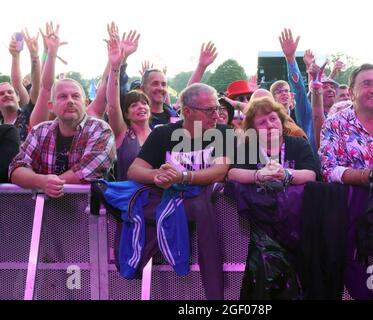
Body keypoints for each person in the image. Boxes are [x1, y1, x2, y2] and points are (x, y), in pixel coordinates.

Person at [127, 83, 232, 300]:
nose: (217, 115)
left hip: (214, 226)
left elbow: (220, 171)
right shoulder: (163, 134)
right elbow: (134, 170)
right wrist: (158, 175)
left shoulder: (223, 132)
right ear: (187, 111)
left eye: (218, 108)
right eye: (210, 110)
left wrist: (183, 176)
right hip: (170, 224)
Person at [227, 97, 318, 299]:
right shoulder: (247, 148)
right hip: (259, 231)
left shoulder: (298, 144)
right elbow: (232, 173)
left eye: (273, 119)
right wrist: (257, 175)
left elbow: (311, 174)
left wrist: (286, 174)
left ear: (282, 120)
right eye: (262, 122)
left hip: (297, 228)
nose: (270, 125)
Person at [9, 78, 115, 198]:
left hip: (89, 212)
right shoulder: (39, 131)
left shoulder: (100, 129)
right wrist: (40, 181)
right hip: (44, 212)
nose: (70, 101)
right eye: (63, 96)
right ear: (51, 106)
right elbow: (16, 167)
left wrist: (47, 185)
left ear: (86, 104)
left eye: (75, 96)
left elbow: (88, 170)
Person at [105, 32, 151, 181]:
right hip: (127, 201)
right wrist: (116, 66)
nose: (141, 107)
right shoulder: (123, 133)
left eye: (144, 103)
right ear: (126, 113)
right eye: (134, 105)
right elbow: (112, 104)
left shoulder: (159, 132)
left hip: (156, 201)